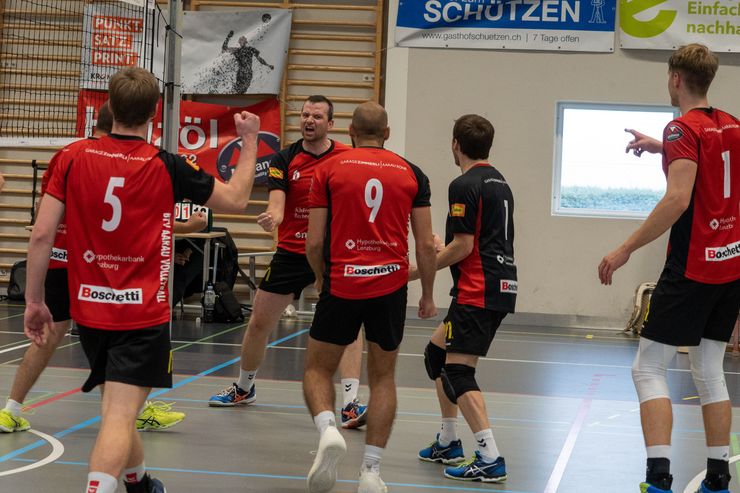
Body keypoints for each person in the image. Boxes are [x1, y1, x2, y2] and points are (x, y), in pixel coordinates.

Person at [24, 66, 260, 493]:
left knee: (116, 404)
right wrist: (249, 141)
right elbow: (238, 199)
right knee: (118, 414)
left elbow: (42, 234)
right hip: (141, 315)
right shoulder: (167, 165)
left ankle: (139, 483)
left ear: (109, 106)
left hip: (90, 310)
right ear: (154, 113)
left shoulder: (72, 157)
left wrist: (35, 300)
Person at [599, 44, 740, 493]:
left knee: (648, 368)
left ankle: (658, 479)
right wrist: (662, 147)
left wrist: (624, 249)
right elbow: (715, 166)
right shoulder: (732, 124)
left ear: (676, 79)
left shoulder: (681, 126)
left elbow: (678, 198)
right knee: (710, 369)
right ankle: (718, 479)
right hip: (731, 264)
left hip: (693, 267)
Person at [1, 102, 185, 434]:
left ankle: (10, 408)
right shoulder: (122, 160)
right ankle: (127, 413)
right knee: (110, 335)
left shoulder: (68, 155)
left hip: (60, 259)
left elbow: (44, 216)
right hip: (96, 264)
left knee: (50, 334)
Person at [208, 95, 369, 430]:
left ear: (330, 124)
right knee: (259, 322)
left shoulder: (346, 158)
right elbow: (277, 204)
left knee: (350, 327)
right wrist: (273, 217)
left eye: (317, 116)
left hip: (333, 254)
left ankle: (351, 403)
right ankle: (244, 388)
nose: (309, 120)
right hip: (292, 253)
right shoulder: (284, 158)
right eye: (305, 114)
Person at [303, 102, 437, 493]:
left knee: (316, 370)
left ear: (349, 131)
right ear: (387, 134)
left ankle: (329, 429)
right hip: (390, 288)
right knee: (382, 379)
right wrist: (428, 294)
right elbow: (425, 245)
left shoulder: (328, 169)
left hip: (343, 283)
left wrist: (320, 278)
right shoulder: (412, 173)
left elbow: (314, 241)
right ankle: (371, 472)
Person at [410, 114, 517, 483]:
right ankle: (448, 441)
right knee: (436, 355)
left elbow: (464, 246)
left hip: (478, 289)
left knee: (458, 371)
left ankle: (489, 456)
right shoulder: (500, 181)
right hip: (497, 284)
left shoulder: (464, 184)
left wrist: (419, 269)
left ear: (456, 145)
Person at [171, 212, 208, 307]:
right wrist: (170, 256)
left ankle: (168, 306)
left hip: (189, 248)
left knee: (180, 274)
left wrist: (189, 250)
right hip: (163, 250)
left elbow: (201, 235)